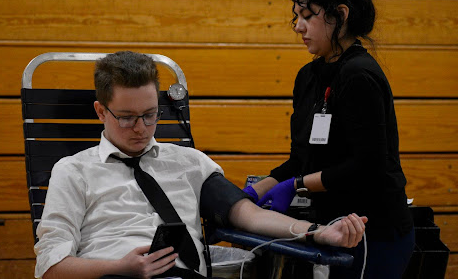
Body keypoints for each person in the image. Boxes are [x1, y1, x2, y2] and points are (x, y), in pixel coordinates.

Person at [34, 51, 367, 279]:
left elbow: (248, 215)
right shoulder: (72, 171)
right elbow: (51, 268)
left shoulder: (189, 163)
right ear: (100, 111)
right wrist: (119, 267)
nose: (141, 128)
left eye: (151, 115)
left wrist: (317, 233)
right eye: (126, 117)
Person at [243, 0, 414, 279]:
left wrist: (296, 185)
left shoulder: (359, 75)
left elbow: (366, 167)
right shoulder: (308, 76)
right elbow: (302, 158)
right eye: (295, 17)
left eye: (308, 16)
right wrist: (258, 190)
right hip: (332, 226)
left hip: (373, 232)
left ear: (340, 15)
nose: (297, 27)